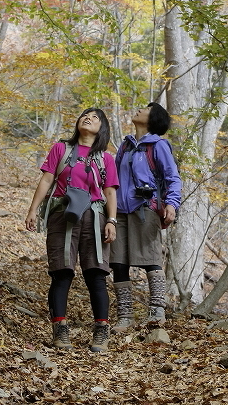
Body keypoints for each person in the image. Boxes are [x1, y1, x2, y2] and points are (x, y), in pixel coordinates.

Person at [25, 108, 119, 352]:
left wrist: (112, 220)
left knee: (96, 274)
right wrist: (33, 210)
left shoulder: (106, 158)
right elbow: (47, 179)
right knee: (62, 272)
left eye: (95, 118)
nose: (88, 119)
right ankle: (60, 329)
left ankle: (101, 330)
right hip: (61, 213)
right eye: (85, 116)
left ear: (102, 128)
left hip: (95, 216)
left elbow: (110, 191)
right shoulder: (61, 149)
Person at [110, 102, 181, 330]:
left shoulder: (158, 146)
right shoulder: (126, 146)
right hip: (120, 211)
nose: (139, 109)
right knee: (118, 262)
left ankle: (157, 312)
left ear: (153, 118)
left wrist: (171, 204)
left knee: (151, 260)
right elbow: (113, 179)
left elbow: (172, 177)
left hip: (146, 208)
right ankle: (125, 316)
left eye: (146, 109)